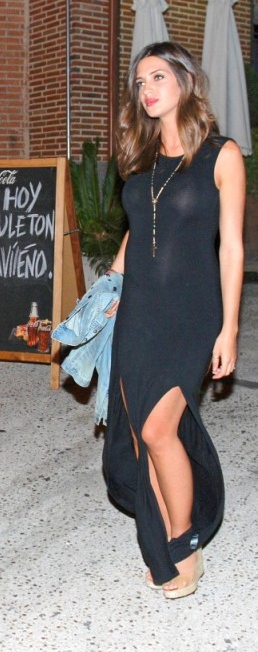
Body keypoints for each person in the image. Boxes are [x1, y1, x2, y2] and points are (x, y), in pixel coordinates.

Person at [102, 41, 245, 599]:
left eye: (158, 77)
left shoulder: (221, 155)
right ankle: (163, 532)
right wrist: (109, 288)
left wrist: (229, 327)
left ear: (186, 82)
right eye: (140, 82)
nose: (148, 89)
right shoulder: (141, 158)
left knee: (159, 429)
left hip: (191, 313)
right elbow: (137, 231)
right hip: (137, 309)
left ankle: (186, 542)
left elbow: (231, 248)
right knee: (143, 437)